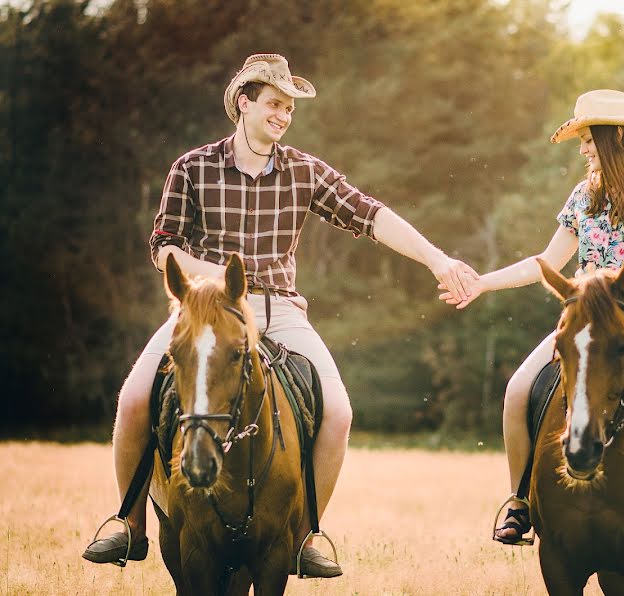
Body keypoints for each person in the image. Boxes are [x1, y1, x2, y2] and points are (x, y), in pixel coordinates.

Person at [82, 53, 479, 577]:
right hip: (206, 309)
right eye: (274, 103)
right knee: (134, 398)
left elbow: (370, 214)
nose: (283, 114)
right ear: (243, 102)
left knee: (338, 413)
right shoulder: (192, 167)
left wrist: (437, 258)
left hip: (281, 311)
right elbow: (164, 249)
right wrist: (221, 279)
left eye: (289, 107)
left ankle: (305, 533)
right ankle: (129, 525)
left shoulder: (304, 171)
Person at [440, 89, 624, 550]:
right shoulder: (583, 195)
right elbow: (547, 259)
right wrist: (482, 283)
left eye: (587, 139)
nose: (581, 149)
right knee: (518, 389)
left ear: (613, 138)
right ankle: (519, 500)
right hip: (584, 322)